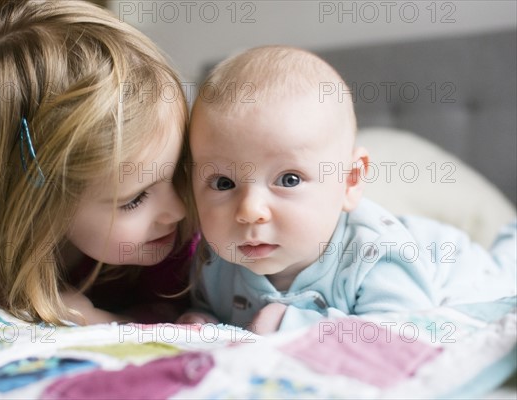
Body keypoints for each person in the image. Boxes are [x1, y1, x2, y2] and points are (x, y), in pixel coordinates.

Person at [177, 45, 517, 334]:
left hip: (444, 259)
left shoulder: (378, 255)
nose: (249, 210)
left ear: (350, 182)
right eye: (224, 183)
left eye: (289, 179)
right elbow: (221, 316)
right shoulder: (213, 261)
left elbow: (401, 332)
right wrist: (201, 322)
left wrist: (293, 323)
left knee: (504, 277)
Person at [0, 0, 195, 326]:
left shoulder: (174, 242)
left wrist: (101, 320)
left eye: (178, 171)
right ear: (35, 203)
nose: (179, 209)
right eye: (135, 199)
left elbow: (171, 316)